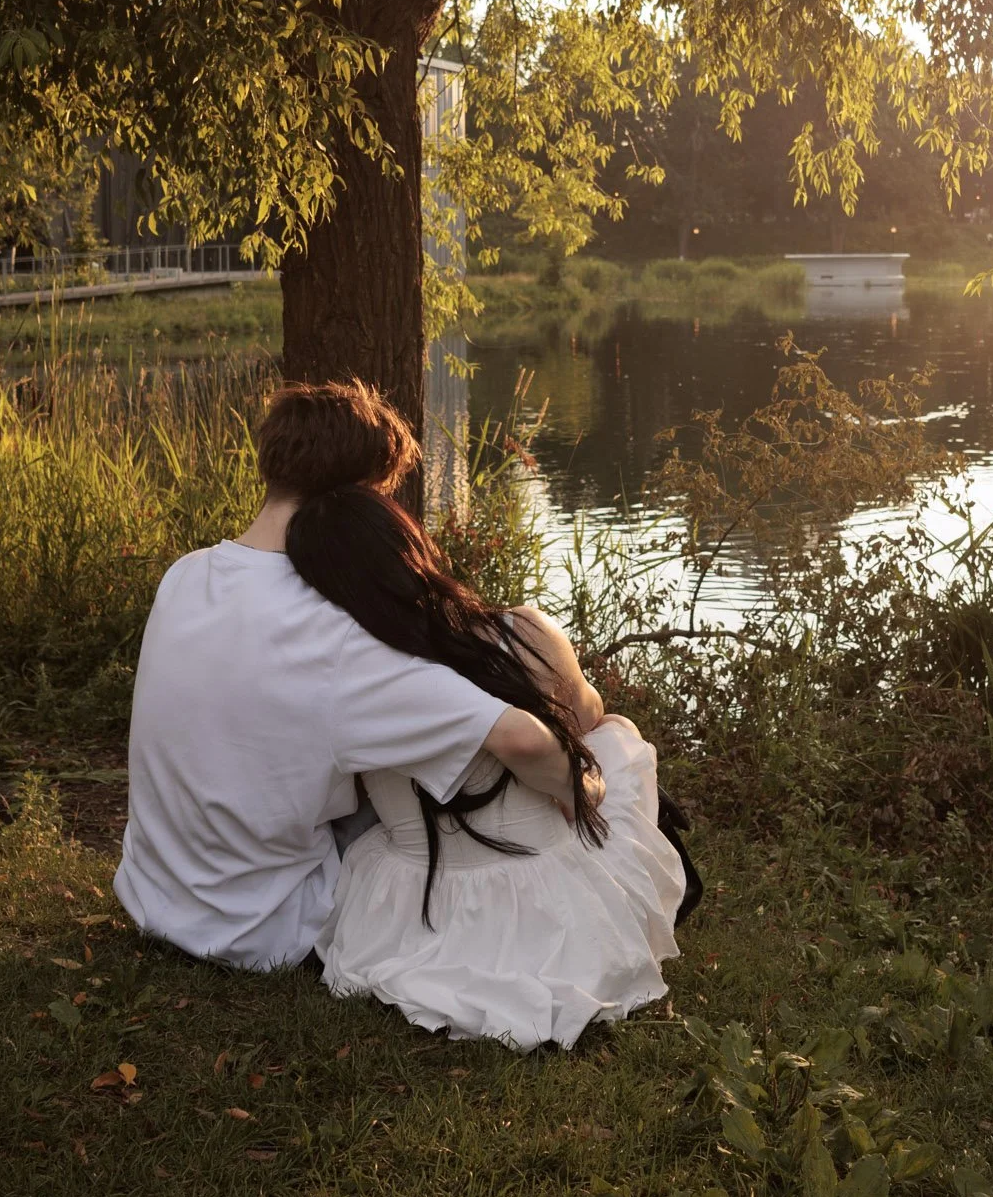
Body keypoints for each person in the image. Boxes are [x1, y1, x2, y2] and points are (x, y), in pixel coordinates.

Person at [114, 382, 581, 971]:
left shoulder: (185, 574)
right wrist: (581, 785)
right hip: (261, 926)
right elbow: (516, 737)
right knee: (445, 761)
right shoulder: (339, 632)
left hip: (153, 895)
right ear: (359, 497)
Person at [285, 482, 687, 1050]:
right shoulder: (522, 630)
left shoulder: (345, 683)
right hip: (544, 889)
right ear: (411, 547)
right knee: (618, 733)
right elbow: (585, 715)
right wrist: (582, 781)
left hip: (410, 898)